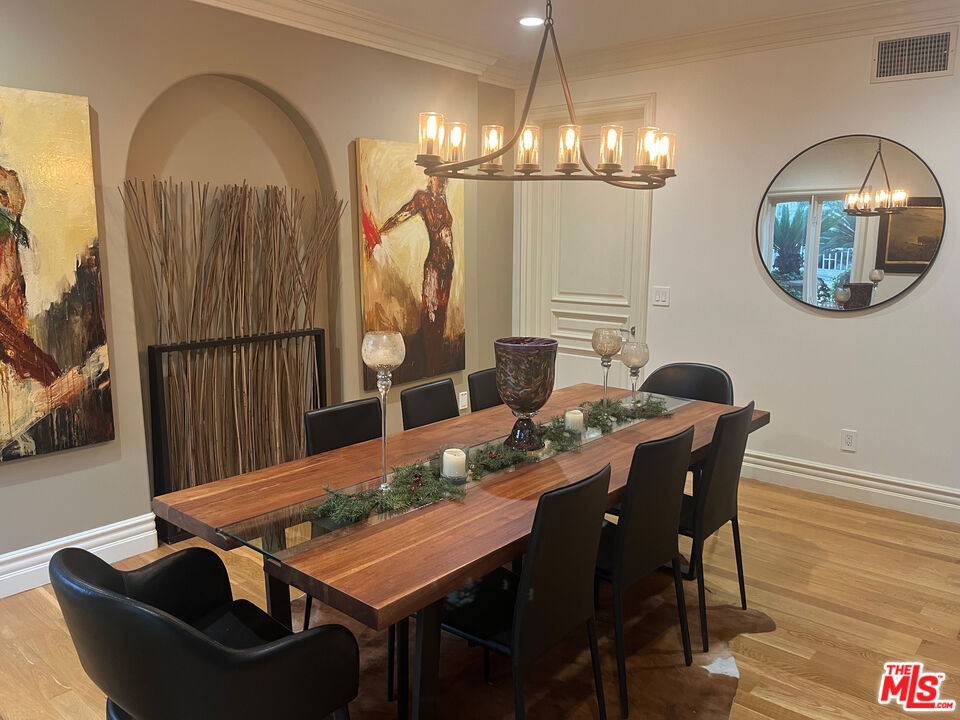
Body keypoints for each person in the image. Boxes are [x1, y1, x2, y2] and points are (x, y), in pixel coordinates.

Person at [378, 175, 455, 375]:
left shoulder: (442, 200)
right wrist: (382, 231)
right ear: (432, 178)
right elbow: (402, 214)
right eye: (437, 178)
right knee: (431, 313)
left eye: (442, 179)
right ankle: (430, 365)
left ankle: (436, 364)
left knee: (441, 316)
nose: (440, 182)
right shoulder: (423, 199)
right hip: (435, 265)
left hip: (448, 266)